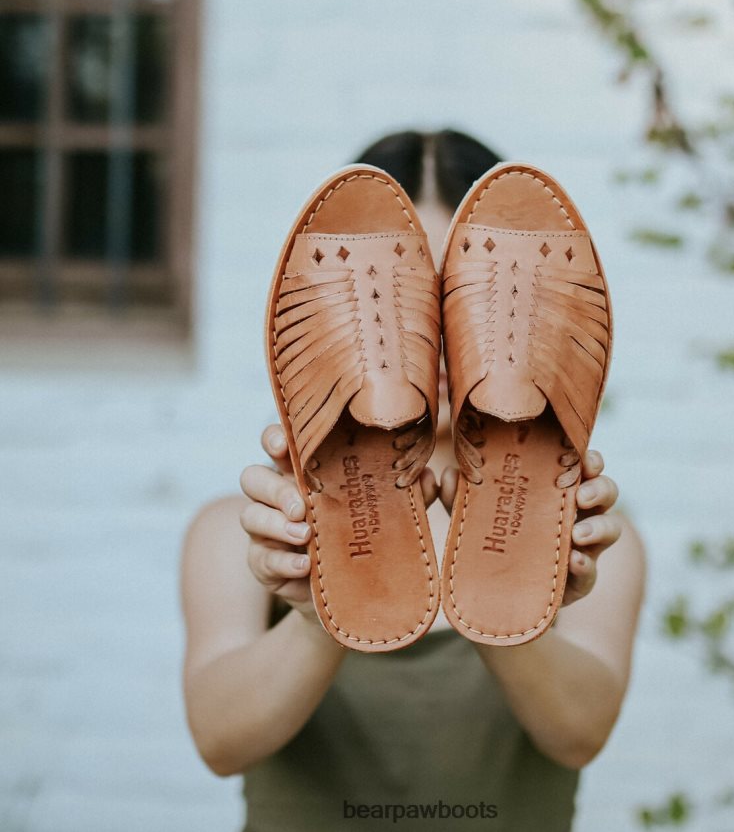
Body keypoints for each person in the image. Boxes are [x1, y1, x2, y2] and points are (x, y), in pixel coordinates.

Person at [181, 129, 646, 831]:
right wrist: (323, 612)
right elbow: (220, 741)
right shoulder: (243, 534)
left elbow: (579, 734)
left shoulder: (585, 537)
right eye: (402, 294)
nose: (427, 336)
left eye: (456, 292)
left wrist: (499, 594)